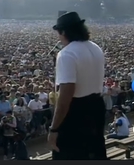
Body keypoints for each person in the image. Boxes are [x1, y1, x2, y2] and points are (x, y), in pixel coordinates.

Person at [48, 12, 107, 160]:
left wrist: (54, 129)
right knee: (95, 152)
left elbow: (66, 95)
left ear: (64, 31)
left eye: (59, 33)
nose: (59, 38)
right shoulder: (95, 48)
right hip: (97, 106)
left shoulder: (66, 54)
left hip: (75, 113)